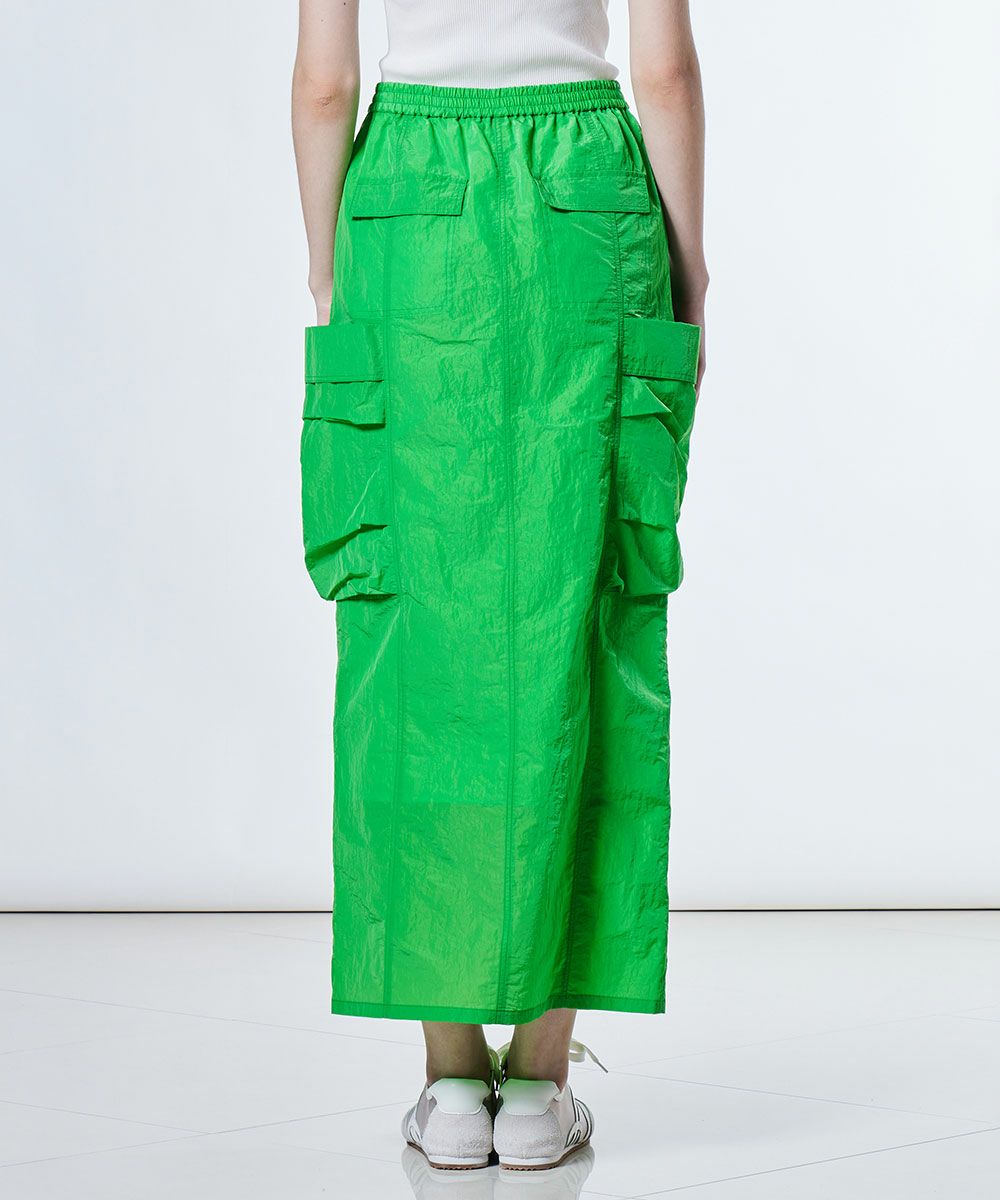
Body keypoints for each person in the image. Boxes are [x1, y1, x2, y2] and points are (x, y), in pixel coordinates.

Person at [292, 0, 707, 1173]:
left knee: (414, 640)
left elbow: (324, 86)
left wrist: (327, 265)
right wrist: (692, 269)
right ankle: (536, 1082)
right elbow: (664, 74)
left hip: (407, 206)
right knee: (583, 616)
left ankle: (447, 1081)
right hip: (588, 199)